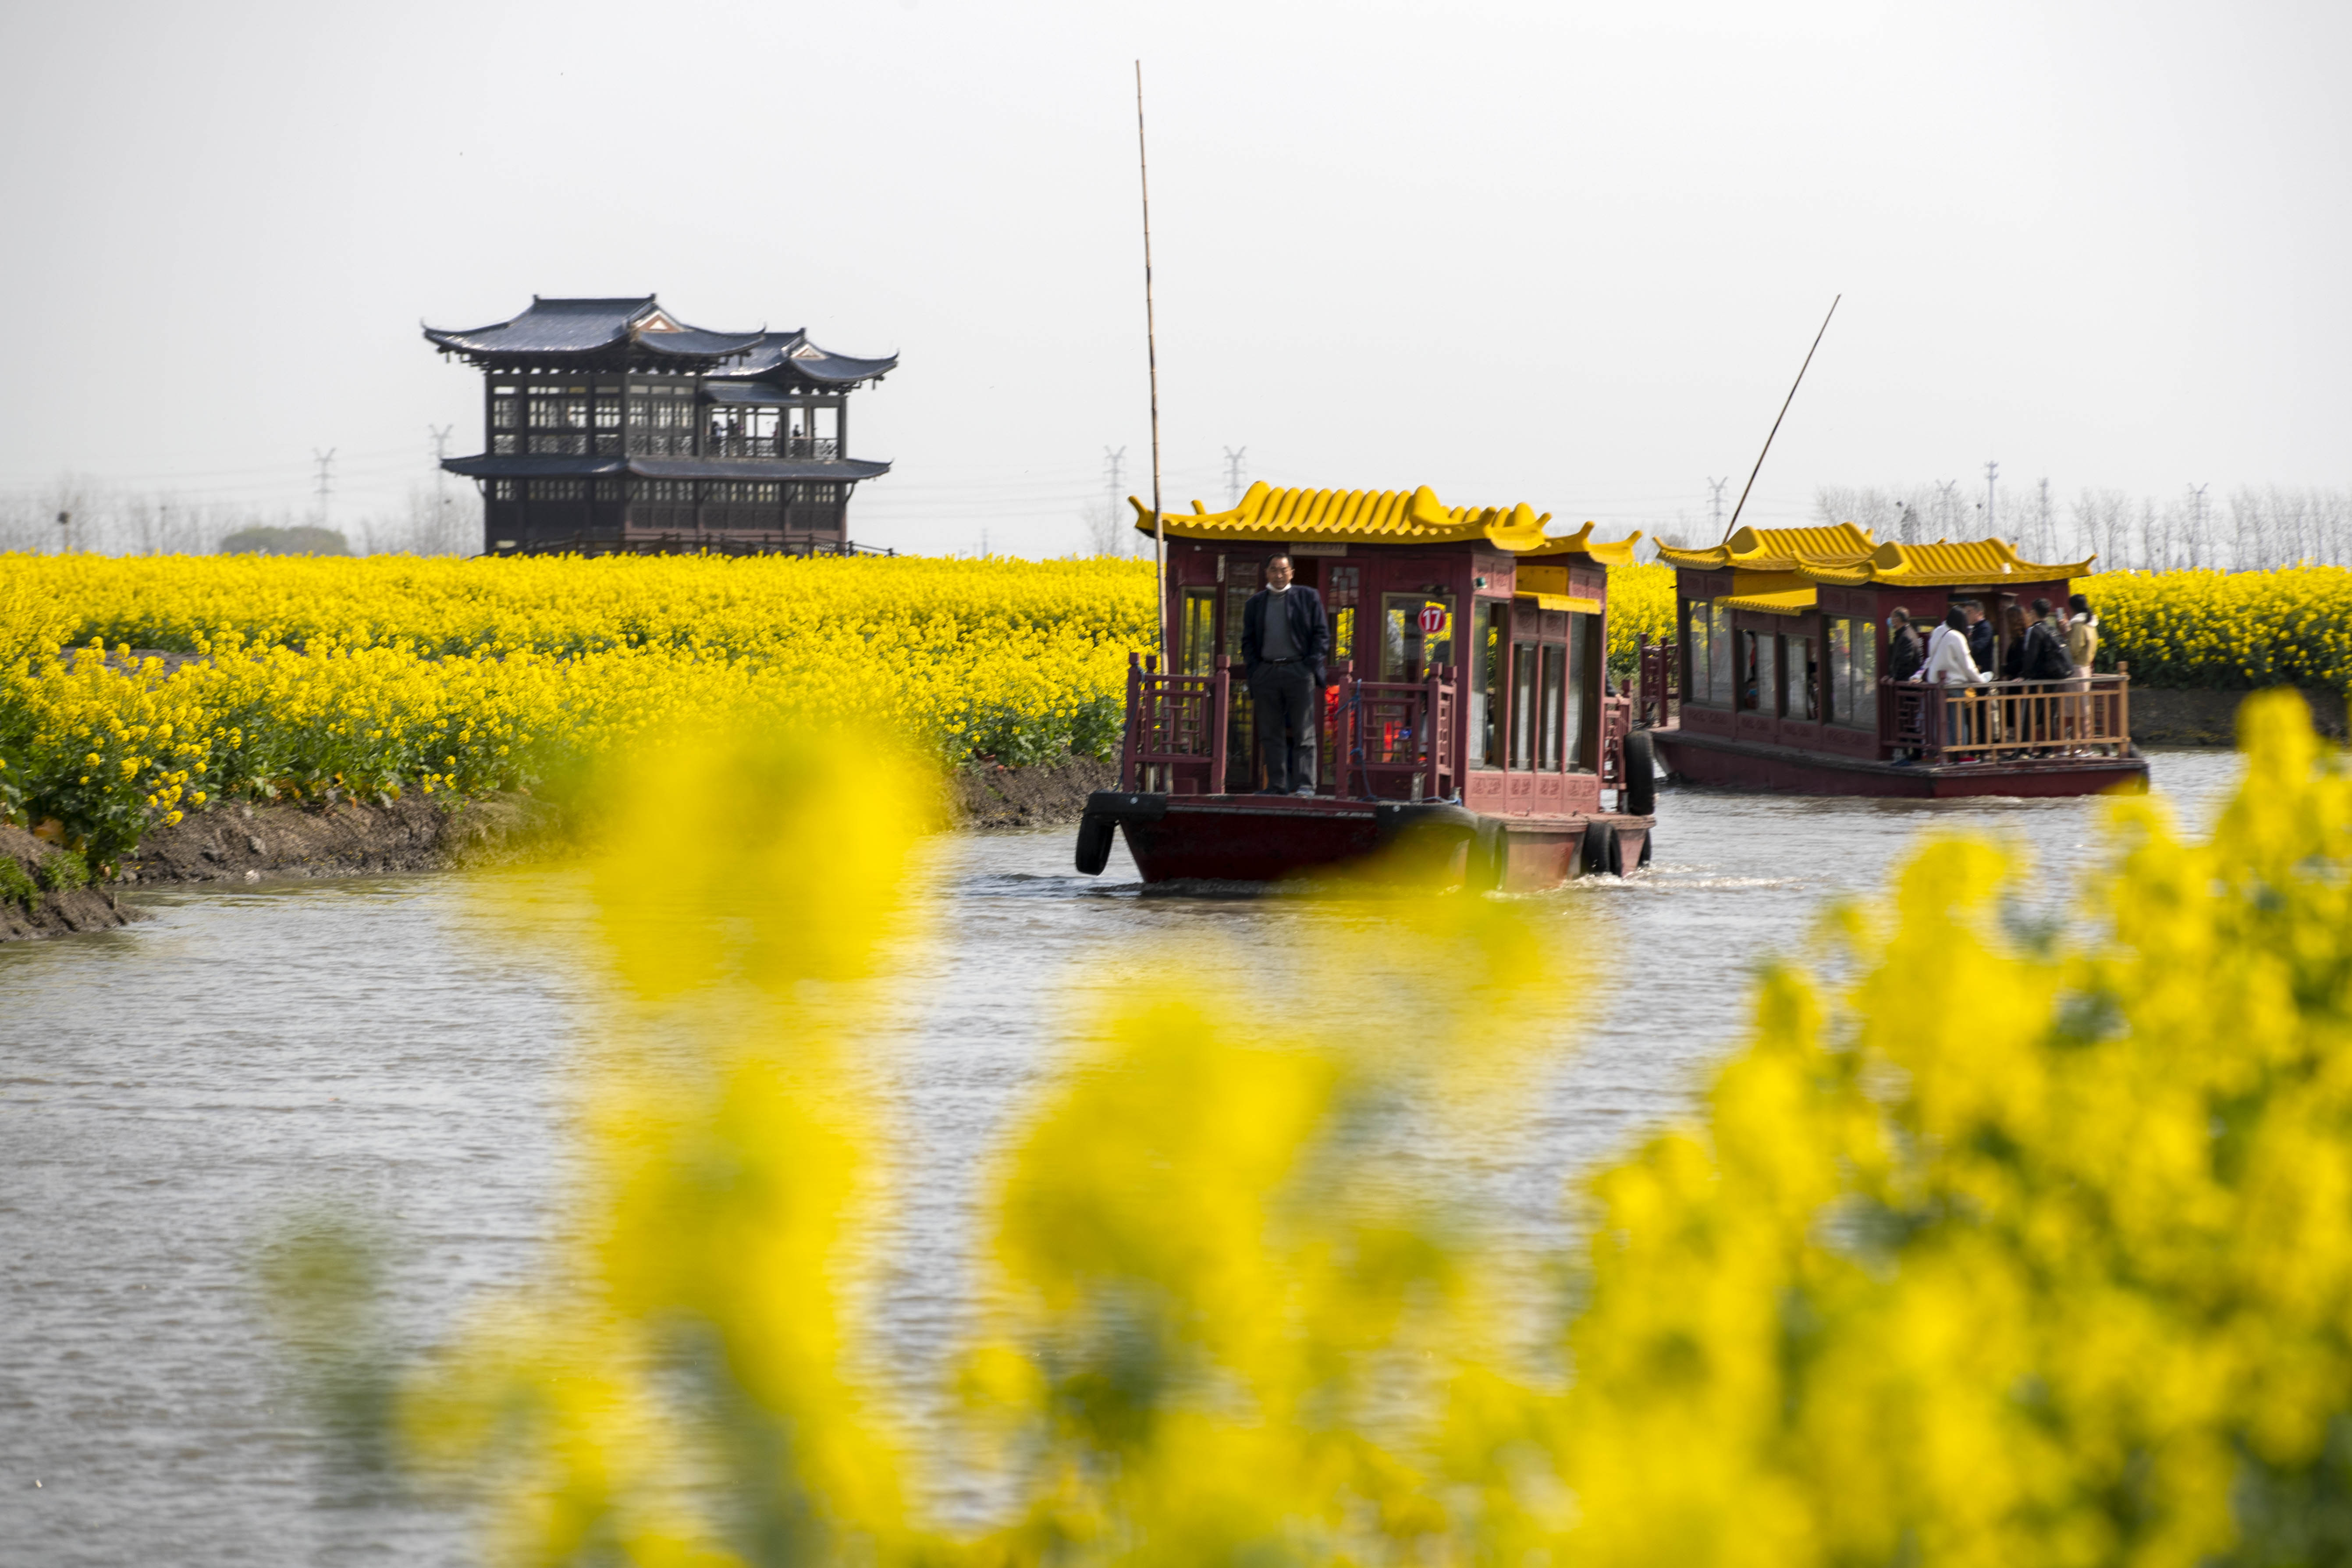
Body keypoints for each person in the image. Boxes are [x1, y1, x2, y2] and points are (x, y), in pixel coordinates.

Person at [1240, 550, 1331, 795]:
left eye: (1283, 570)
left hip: (1299, 672)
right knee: (1270, 733)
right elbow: (1247, 641)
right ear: (1266, 573)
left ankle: (1305, 785)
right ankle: (1277, 785)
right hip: (1267, 672)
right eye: (1274, 570)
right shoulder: (1255, 604)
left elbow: (1322, 635)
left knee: (1304, 732)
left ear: (1292, 572)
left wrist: (1309, 665)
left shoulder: (1308, 597)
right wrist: (1256, 669)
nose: (1279, 575)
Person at [1922, 605, 1988, 756]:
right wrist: (1981, 681)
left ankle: (1936, 753)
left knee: (1939, 720)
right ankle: (1962, 754)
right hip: (1954, 684)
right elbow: (1967, 664)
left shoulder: (1938, 631)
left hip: (1935, 684)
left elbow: (1930, 657)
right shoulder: (1957, 637)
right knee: (1958, 721)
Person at [1887, 609, 1923, 683]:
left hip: (1907, 685)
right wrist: (1890, 676)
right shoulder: (1905, 634)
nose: (1890, 621)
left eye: (1891, 618)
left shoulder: (1906, 637)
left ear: (1897, 620)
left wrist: (1895, 678)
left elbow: (1905, 661)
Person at [1963, 599, 1997, 675]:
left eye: (1969, 612)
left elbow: (1978, 646)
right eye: (1965, 612)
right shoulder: (1971, 627)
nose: (1966, 615)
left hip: (1983, 672)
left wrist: (1963, 646)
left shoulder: (1985, 627)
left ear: (1980, 614)